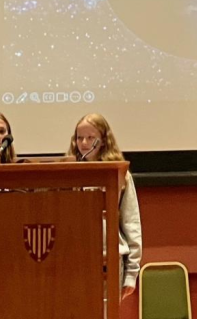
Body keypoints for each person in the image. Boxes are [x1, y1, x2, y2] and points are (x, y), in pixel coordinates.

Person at [68, 113, 142, 300]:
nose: (84, 143)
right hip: (75, 259)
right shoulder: (68, 174)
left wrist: (132, 272)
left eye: (90, 137)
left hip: (109, 259)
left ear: (102, 141)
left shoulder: (119, 175)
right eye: (79, 137)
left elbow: (131, 221)